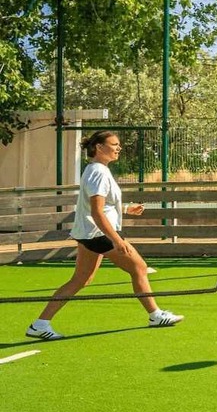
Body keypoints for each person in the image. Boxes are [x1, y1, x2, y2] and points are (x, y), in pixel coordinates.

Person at [26, 130, 183, 340]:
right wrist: (117, 240)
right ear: (99, 147)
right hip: (99, 233)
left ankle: (40, 324)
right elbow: (97, 212)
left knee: (81, 279)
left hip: (89, 233)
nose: (119, 148)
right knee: (139, 268)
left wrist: (125, 209)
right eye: (114, 144)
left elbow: (101, 204)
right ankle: (155, 315)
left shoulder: (97, 170)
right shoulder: (98, 172)